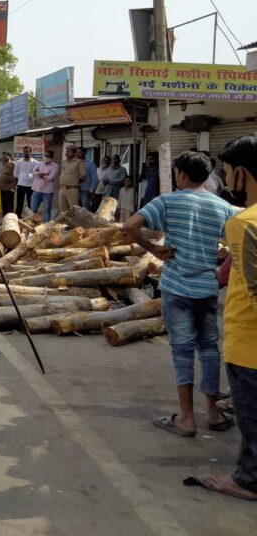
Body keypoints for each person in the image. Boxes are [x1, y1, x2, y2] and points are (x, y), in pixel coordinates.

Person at [124, 151, 237, 440]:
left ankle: (186, 418)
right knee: (210, 349)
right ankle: (212, 411)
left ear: (181, 175)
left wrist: (153, 249)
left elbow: (129, 227)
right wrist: (222, 265)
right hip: (207, 289)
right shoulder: (222, 206)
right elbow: (241, 240)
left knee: (182, 351)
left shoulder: (167, 201)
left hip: (176, 287)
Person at [186, 135, 257, 500]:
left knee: (251, 416)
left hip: (249, 343)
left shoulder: (245, 223)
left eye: (228, 172)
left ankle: (248, 480)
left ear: (241, 174)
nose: (226, 180)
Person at [30, 150, 58, 221]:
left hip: (47, 191)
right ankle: (33, 224)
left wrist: (40, 174)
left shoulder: (55, 166)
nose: (46, 157)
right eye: (45, 156)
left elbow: (51, 177)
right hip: (36, 189)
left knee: (47, 210)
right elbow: (33, 173)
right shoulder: (39, 164)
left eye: (48, 156)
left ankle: (46, 225)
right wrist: (45, 175)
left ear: (52, 157)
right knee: (33, 209)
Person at [57, 146, 86, 215]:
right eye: (66, 151)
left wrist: (75, 183)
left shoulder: (79, 162)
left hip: (72, 189)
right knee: (63, 211)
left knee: (74, 210)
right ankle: (65, 225)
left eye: (69, 151)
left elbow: (84, 176)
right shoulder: (64, 162)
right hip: (62, 189)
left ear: (75, 153)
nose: (66, 153)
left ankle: (75, 225)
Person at [13, 146, 36, 218]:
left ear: (30, 152)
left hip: (31, 186)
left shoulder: (35, 162)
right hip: (21, 185)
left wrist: (31, 178)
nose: (26, 153)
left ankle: (31, 219)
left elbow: (36, 174)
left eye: (27, 151)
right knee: (19, 203)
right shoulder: (19, 162)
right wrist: (22, 177)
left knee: (31, 203)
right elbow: (15, 173)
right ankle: (18, 218)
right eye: (24, 152)